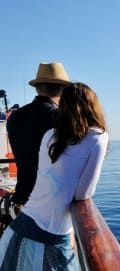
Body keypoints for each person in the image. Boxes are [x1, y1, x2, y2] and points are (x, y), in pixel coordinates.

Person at [0, 82, 109, 271]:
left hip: (19, 228)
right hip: (50, 234)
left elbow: (43, 179)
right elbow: (84, 194)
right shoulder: (98, 137)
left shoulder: (50, 135)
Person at [6, 62, 70, 213]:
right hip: (49, 203)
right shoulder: (60, 117)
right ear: (63, 90)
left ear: (36, 88)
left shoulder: (15, 116)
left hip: (22, 198)